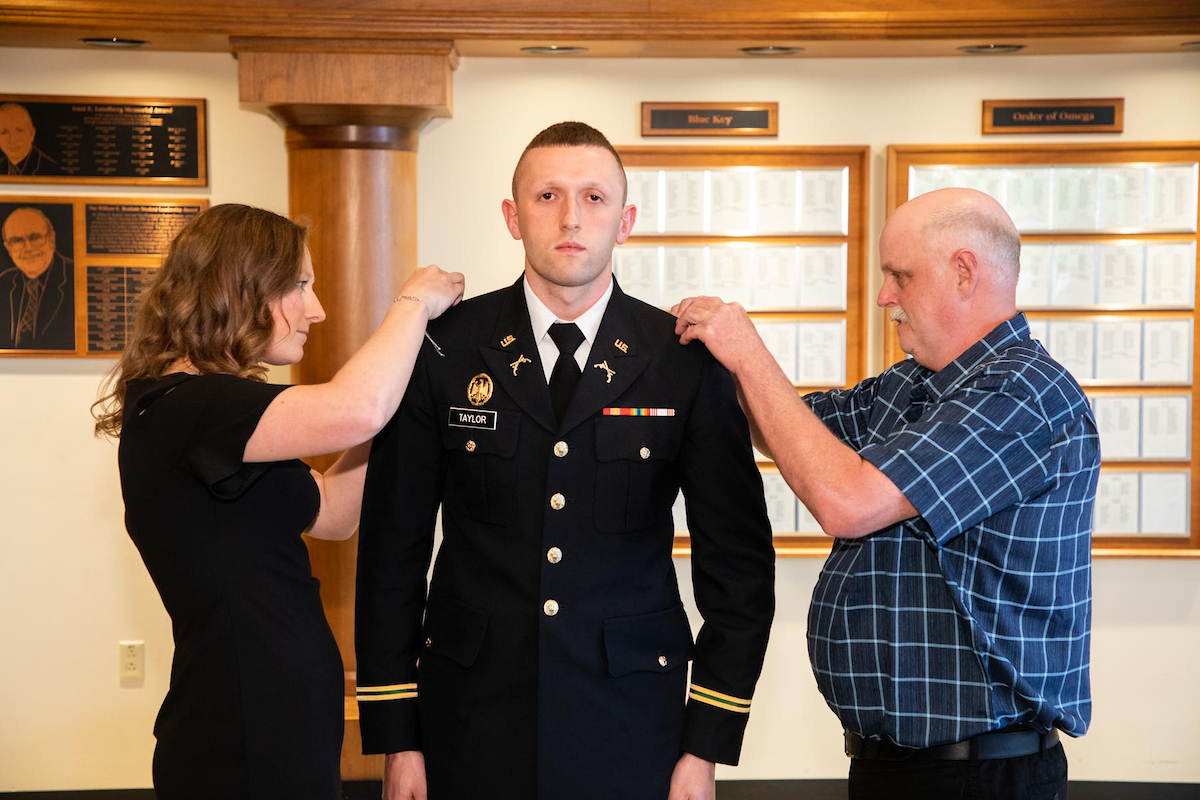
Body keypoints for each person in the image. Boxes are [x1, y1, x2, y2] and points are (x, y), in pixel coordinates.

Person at [355, 122, 775, 800]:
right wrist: (398, 736)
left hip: (632, 720)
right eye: (547, 195)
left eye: (594, 198)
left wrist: (706, 744)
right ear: (512, 217)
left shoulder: (683, 361)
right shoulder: (443, 350)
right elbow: (390, 552)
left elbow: (738, 566)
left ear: (625, 221)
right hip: (469, 719)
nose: (571, 217)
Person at [672, 188, 1099, 799]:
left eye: (900, 276)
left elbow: (847, 502)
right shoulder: (910, 386)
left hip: (978, 777)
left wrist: (748, 353)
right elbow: (788, 427)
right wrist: (694, 368)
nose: (883, 297)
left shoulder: (1024, 395)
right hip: (895, 768)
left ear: (963, 272)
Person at [91, 203, 464, 800]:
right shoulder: (191, 408)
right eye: (300, 286)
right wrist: (412, 304)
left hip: (278, 724)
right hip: (240, 732)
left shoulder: (218, 420)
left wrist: (408, 394)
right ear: (241, 287)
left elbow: (334, 513)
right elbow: (357, 408)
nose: (316, 309)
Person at [1, 206, 74, 350]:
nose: (28, 248)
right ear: (8, 249)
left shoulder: (75, 277)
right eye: (17, 241)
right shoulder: (4, 282)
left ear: (51, 239)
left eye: (35, 237)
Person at [0, 103, 56, 175]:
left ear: (32, 134)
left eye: (19, 131)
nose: (12, 140)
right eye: (4, 132)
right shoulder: (2, 164)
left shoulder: (51, 168)